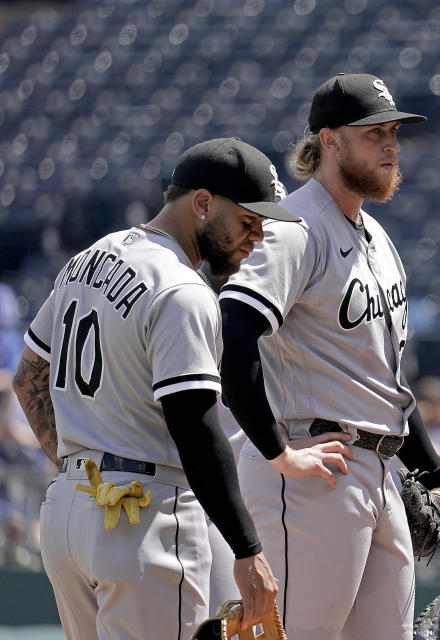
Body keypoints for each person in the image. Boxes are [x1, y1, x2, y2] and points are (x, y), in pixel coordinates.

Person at [11, 137, 296, 639]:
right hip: (142, 515)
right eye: (248, 221)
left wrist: (83, 472)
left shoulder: (91, 257)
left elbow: (28, 375)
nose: (256, 238)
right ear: (203, 203)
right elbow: (195, 428)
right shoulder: (183, 292)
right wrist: (249, 551)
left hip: (69, 509)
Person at [217, 72, 440, 638]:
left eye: (394, 131)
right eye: (374, 132)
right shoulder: (297, 227)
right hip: (312, 470)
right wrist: (277, 452)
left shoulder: (377, 236)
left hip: (379, 469)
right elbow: (232, 332)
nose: (392, 144)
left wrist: (434, 474)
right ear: (329, 140)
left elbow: (382, 377)